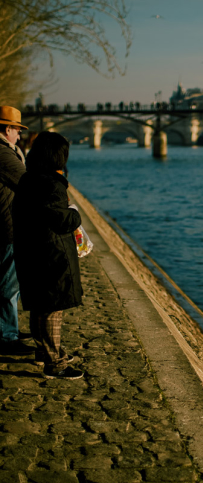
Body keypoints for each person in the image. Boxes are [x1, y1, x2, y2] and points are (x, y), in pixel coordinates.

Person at [12, 131, 84, 380]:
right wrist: (75, 214)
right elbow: (61, 220)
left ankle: (44, 352)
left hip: (30, 250)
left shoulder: (28, 179)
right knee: (53, 308)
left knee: (40, 306)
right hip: (50, 254)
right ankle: (56, 363)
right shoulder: (51, 184)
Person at [0, 105, 34, 355]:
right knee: (8, 285)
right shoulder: (3, 154)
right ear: (6, 128)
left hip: (9, 223)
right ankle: (6, 336)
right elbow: (27, 183)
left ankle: (8, 328)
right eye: (17, 130)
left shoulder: (9, 150)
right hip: (6, 226)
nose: (19, 136)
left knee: (10, 282)